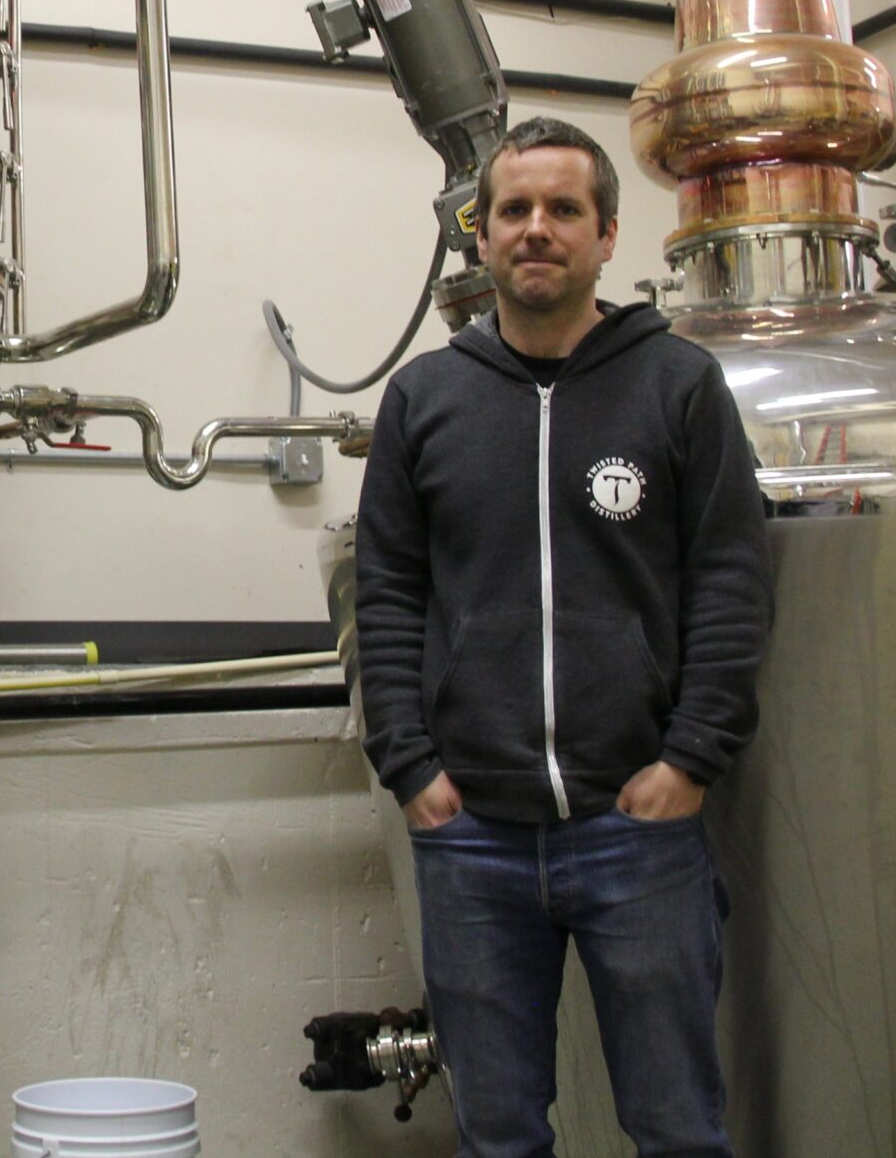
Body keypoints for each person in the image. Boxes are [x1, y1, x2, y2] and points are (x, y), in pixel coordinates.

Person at [353, 115, 772, 1158]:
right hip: (472, 839)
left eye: (562, 210)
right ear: (480, 234)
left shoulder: (676, 384)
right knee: (497, 1136)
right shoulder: (425, 399)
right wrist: (409, 767)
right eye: (514, 210)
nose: (535, 229)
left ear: (606, 235)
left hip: (637, 828)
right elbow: (387, 592)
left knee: (677, 1130)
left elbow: (729, 578)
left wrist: (689, 760)